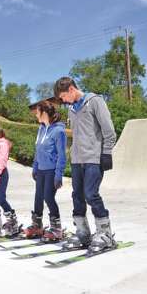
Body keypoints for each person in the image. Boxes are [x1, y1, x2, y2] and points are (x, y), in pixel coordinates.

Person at [54, 76, 117, 252]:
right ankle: (83, 233)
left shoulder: (95, 101)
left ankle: (105, 234)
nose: (63, 101)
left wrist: (106, 153)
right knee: (77, 196)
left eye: (64, 97)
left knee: (91, 195)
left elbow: (109, 131)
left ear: (71, 90)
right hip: (77, 160)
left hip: (93, 159)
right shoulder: (72, 110)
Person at [25, 101, 67, 242]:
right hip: (41, 170)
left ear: (44, 112)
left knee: (48, 197)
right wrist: (35, 167)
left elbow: (62, 154)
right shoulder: (41, 129)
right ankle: (37, 225)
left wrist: (59, 174)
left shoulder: (59, 131)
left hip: (51, 170)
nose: (36, 114)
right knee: (38, 197)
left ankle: (56, 228)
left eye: (37, 112)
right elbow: (38, 150)